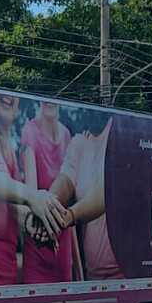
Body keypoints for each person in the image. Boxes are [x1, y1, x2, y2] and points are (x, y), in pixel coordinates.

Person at [0, 93, 69, 285]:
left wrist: (30, 221)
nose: (8, 95)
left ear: (18, 107)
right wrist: (34, 198)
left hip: (6, 264)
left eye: (14, 92)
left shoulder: (8, 145)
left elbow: (10, 203)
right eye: (0, 90)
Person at [47, 117, 123, 280]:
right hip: (93, 275)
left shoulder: (120, 134)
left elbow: (109, 189)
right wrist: (48, 207)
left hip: (125, 274)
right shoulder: (80, 143)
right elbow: (66, 180)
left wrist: (68, 217)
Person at [20, 101, 75, 283]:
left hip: (63, 247)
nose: (51, 101)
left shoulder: (66, 135)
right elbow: (31, 193)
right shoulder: (30, 131)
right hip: (38, 241)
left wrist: (78, 267)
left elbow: (70, 199)